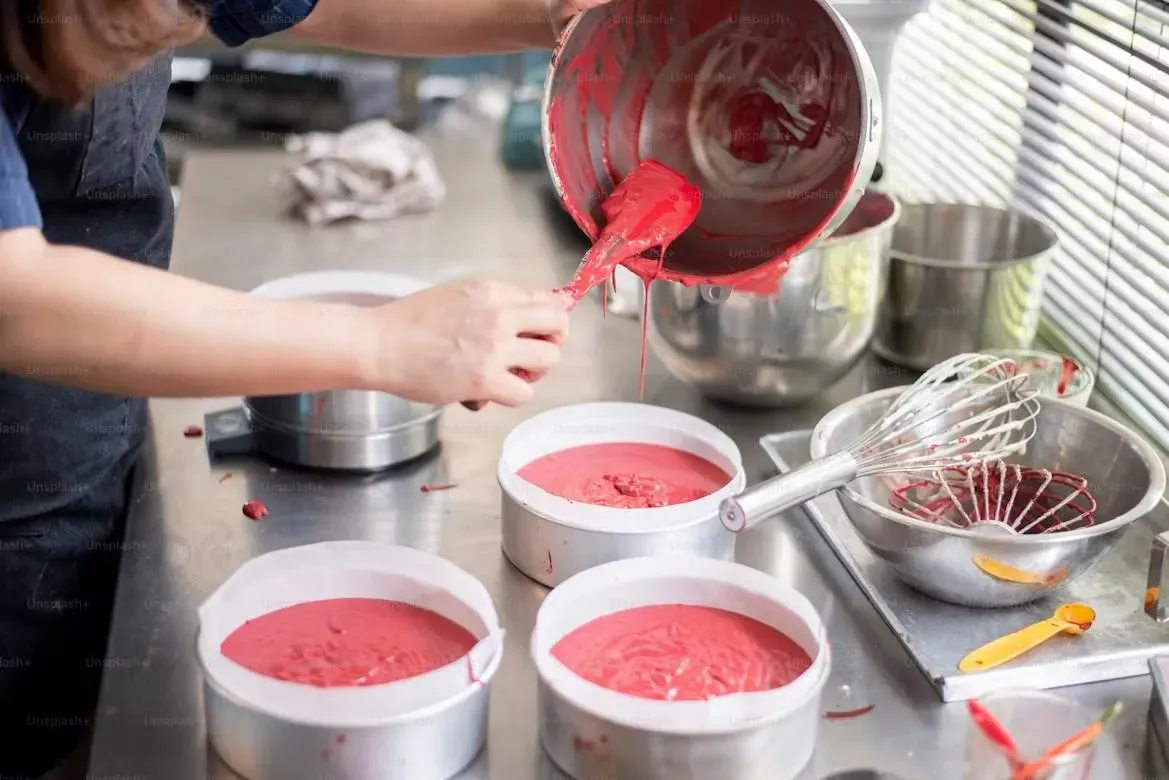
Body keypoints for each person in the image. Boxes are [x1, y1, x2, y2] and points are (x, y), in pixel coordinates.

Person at [0, 0, 611, 776]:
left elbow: (320, 3)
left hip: (92, 411)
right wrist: (382, 340)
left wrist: (552, 15)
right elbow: (15, 300)